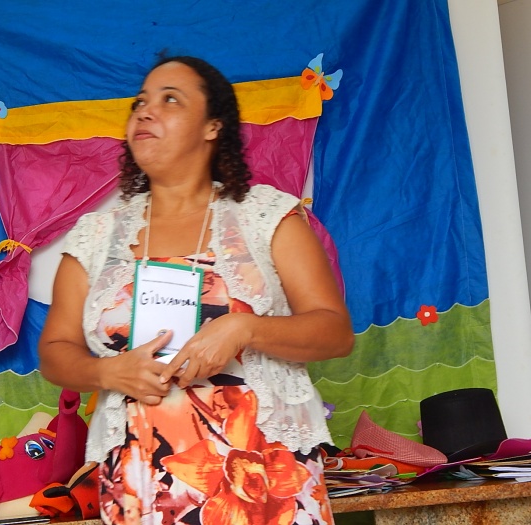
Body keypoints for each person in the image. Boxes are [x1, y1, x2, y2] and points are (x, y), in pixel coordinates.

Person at [38, 55, 354, 525]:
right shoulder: (95, 237)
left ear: (212, 126)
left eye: (170, 100)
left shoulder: (266, 217)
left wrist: (245, 328)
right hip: (140, 481)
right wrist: (107, 372)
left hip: (264, 475)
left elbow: (335, 333)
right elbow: (54, 351)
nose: (146, 111)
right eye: (139, 102)